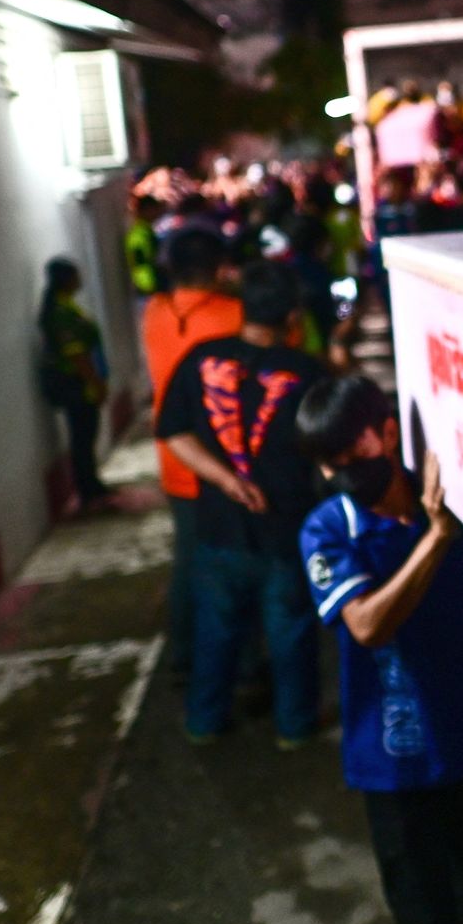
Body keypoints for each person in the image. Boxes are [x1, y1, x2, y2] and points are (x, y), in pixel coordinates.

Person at [295, 375, 463, 924]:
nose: (342, 474)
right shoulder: (329, 529)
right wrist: (437, 538)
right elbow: (366, 625)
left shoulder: (456, 497)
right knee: (421, 919)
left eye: (351, 455)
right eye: (328, 465)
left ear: (388, 432)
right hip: (395, 762)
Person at [156, 260, 324, 746]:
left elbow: (172, 431)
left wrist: (226, 480)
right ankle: (294, 727)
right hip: (285, 530)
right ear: (293, 315)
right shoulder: (307, 372)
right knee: (290, 633)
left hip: (219, 527)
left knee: (217, 631)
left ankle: (204, 721)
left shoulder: (200, 357)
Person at [141, 230, 244, 680]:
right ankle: (242, 667)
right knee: (236, 567)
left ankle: (183, 657)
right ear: (220, 267)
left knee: (188, 564)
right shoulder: (233, 314)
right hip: (226, 462)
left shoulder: (156, 311)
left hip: (175, 457)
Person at [37, 257, 110, 510]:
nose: (80, 280)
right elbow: (77, 354)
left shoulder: (66, 306)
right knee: (82, 437)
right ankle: (87, 489)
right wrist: (96, 382)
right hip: (76, 384)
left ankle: (92, 483)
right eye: (76, 275)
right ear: (66, 279)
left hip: (80, 382)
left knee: (86, 435)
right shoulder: (61, 312)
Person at [126, 195, 164, 298]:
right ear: (146, 210)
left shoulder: (146, 231)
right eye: (154, 209)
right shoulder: (139, 235)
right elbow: (140, 264)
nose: (157, 212)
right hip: (148, 288)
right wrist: (149, 285)